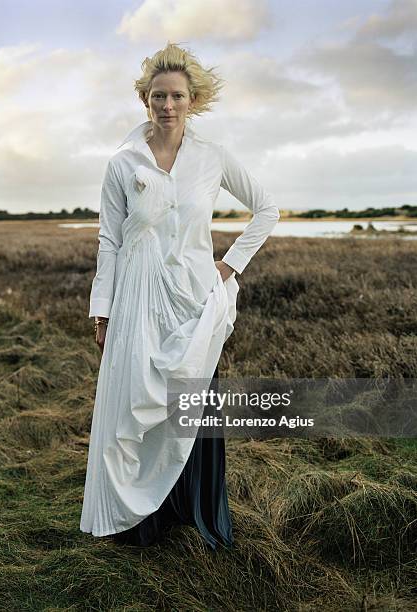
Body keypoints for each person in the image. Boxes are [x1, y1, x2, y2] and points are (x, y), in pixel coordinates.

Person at [80, 42, 279, 550]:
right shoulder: (123, 163)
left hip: (193, 304)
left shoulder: (212, 157)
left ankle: (196, 517)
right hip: (137, 305)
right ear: (145, 100)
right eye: (157, 96)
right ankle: (138, 523)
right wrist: (101, 312)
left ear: (193, 101)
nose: (167, 105)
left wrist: (230, 264)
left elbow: (267, 209)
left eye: (177, 97)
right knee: (133, 408)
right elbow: (110, 240)